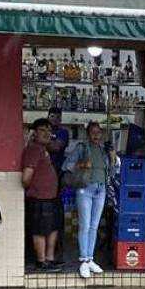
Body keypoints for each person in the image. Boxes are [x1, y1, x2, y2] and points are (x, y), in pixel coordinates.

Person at [70, 122, 116, 279]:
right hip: (85, 189)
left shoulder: (104, 150)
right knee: (85, 225)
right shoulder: (81, 148)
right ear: (87, 134)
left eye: (98, 132)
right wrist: (82, 164)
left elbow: (113, 171)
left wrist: (113, 157)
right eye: (93, 132)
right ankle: (83, 260)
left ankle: (90, 259)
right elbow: (66, 165)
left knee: (94, 226)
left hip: (101, 189)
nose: (96, 135)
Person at [22, 118, 62, 271]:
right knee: (40, 230)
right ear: (34, 133)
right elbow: (26, 177)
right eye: (42, 130)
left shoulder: (44, 149)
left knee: (52, 228)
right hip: (39, 198)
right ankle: (41, 261)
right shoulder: (33, 149)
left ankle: (49, 259)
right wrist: (34, 189)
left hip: (50, 197)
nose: (47, 133)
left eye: (49, 130)